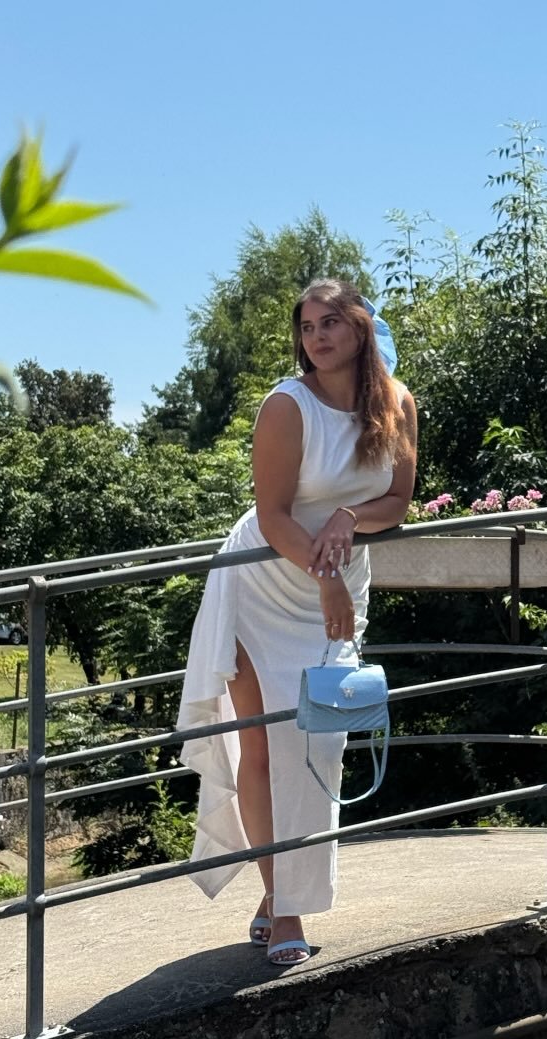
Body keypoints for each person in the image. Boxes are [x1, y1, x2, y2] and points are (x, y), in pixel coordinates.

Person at [175, 278, 417, 966]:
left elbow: (397, 500)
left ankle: (281, 890)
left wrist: (348, 518)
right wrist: (327, 579)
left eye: (330, 323)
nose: (317, 337)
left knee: (320, 745)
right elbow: (273, 514)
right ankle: (283, 904)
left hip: (336, 582)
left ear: (361, 327)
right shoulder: (287, 405)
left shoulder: (397, 403)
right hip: (263, 580)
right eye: (307, 327)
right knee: (264, 746)